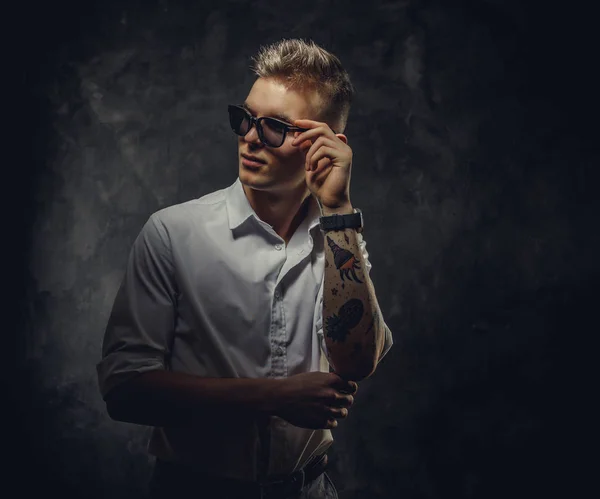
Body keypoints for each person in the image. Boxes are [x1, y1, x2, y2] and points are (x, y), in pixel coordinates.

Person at [97, 38, 393, 499]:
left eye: (275, 126)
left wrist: (338, 209)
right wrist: (276, 397)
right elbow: (125, 389)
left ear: (328, 145)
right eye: (246, 118)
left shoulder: (339, 240)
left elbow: (358, 362)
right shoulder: (172, 233)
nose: (251, 137)